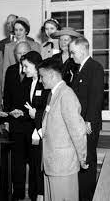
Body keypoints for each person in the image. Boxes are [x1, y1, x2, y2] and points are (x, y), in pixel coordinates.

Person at [38, 57, 87, 201]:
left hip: (63, 165)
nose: (41, 80)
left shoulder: (66, 95)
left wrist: (82, 157)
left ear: (52, 75)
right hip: (51, 164)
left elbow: (77, 131)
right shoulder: (53, 94)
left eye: (42, 76)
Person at [69, 36, 104, 201]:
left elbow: (96, 97)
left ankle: (86, 197)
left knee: (87, 160)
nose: (71, 55)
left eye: (73, 52)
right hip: (79, 122)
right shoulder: (79, 68)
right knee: (81, 159)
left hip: (87, 123)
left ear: (83, 50)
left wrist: (88, 120)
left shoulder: (95, 67)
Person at [3, 41, 33, 201]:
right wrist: (8, 117)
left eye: (23, 53)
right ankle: (18, 192)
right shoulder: (11, 70)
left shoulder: (35, 71)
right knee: (17, 161)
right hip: (14, 123)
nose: (21, 56)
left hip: (31, 123)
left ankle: (34, 193)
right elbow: (6, 95)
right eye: (18, 53)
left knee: (33, 160)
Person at [21, 51, 50, 201]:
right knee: (33, 165)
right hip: (30, 131)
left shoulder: (44, 83)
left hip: (43, 131)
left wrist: (35, 114)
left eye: (26, 66)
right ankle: (34, 196)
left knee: (40, 165)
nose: (23, 70)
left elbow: (48, 108)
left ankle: (41, 194)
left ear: (35, 65)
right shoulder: (27, 82)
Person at [3, 17, 41, 82]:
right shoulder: (8, 47)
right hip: (13, 81)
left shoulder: (35, 45)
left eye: (21, 30)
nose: (18, 32)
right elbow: (5, 69)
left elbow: (39, 67)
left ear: (26, 31)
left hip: (31, 81)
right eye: (16, 30)